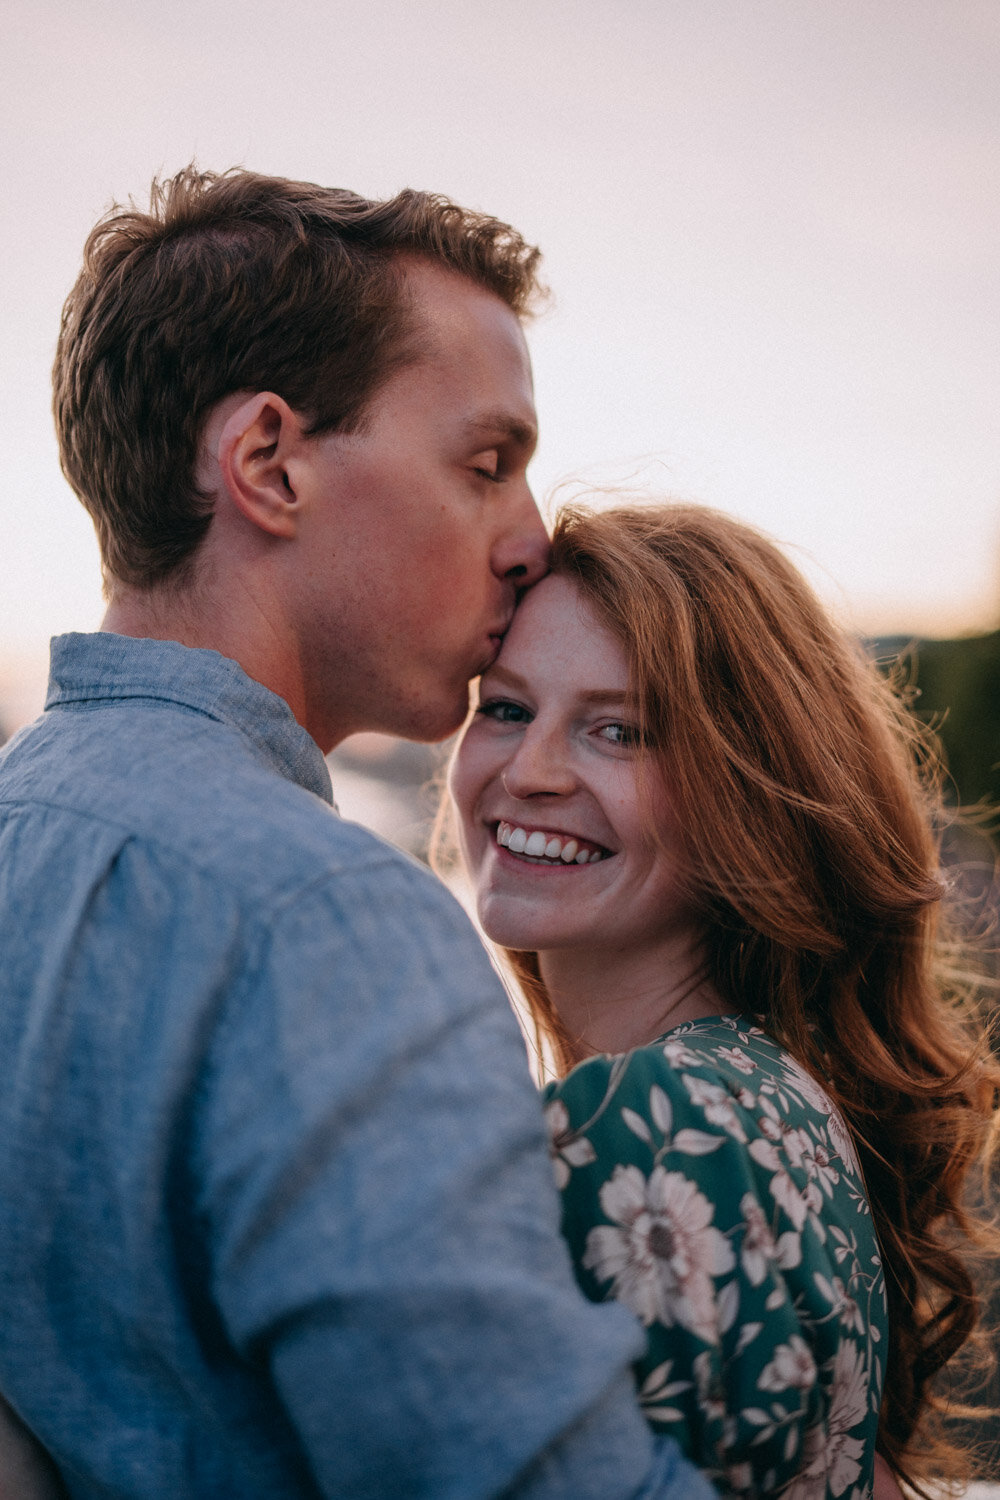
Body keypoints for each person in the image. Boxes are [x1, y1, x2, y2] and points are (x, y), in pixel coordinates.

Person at [0, 170, 715, 1499]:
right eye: (487, 463)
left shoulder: (20, 828)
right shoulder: (321, 922)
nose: (530, 538)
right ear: (270, 465)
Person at [450, 501, 1000, 1498]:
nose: (529, 772)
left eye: (617, 731)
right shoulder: (771, 1092)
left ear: (746, 795)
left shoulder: (642, 1131)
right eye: (505, 707)